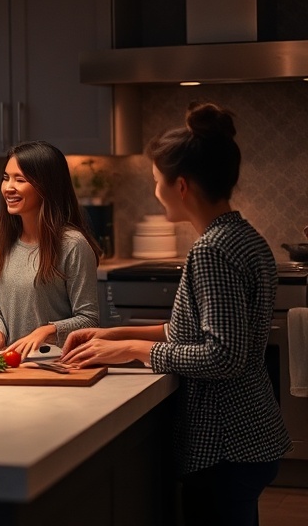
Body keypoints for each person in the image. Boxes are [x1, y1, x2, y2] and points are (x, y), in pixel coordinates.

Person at [61, 102, 291, 526]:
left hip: (226, 442)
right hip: (250, 434)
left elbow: (223, 355)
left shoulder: (211, 250)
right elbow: (194, 330)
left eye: (155, 181)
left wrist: (135, 349)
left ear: (180, 185)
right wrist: (111, 337)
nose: (154, 190)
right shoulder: (244, 236)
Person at [0, 141, 100, 359]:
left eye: (20, 180)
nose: (8, 187)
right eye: (5, 178)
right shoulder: (4, 241)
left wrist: (48, 331)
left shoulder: (72, 245)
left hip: (57, 366)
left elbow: (89, 319)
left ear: (46, 186)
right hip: (12, 366)